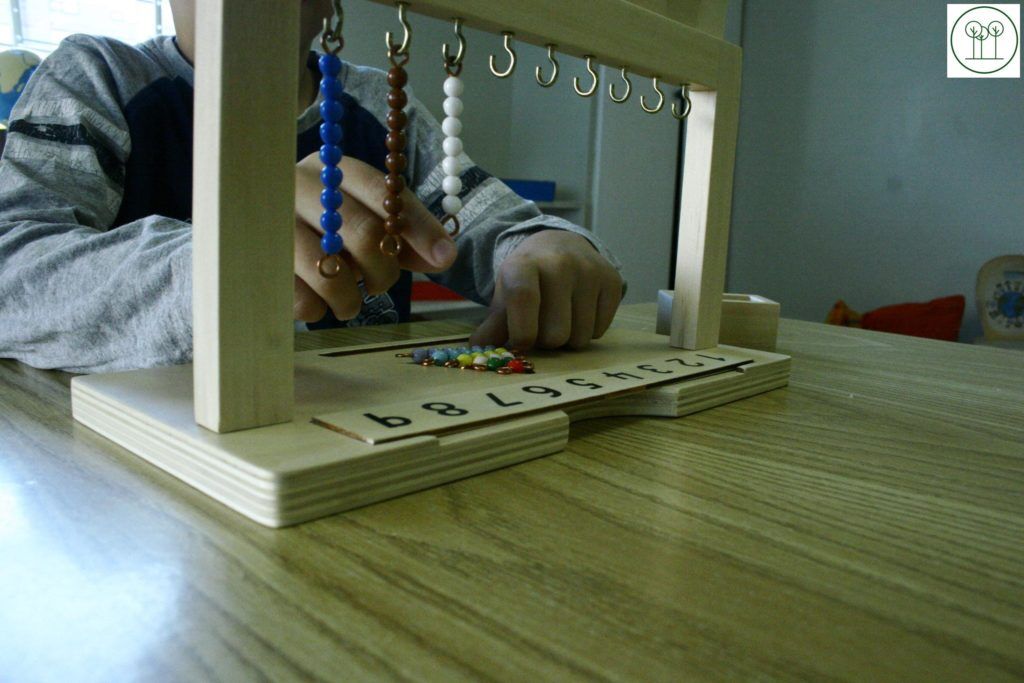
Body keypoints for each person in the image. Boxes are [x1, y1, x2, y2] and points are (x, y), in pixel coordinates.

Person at [0, 0, 624, 374]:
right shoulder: (99, 77)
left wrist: (546, 245)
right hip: (146, 468)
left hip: (366, 447)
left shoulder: (380, 104)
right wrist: (217, 264)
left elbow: (487, 224)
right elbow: (13, 272)